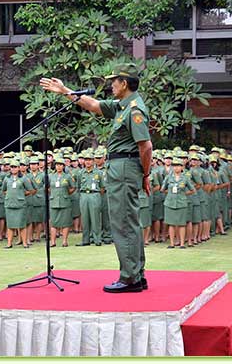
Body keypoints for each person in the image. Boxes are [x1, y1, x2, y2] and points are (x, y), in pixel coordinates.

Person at [41, 63, 152, 293]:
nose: (111, 84)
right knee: (129, 222)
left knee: (123, 223)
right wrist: (64, 91)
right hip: (123, 166)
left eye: (114, 81)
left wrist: (146, 174)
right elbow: (92, 104)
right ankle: (137, 275)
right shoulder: (122, 106)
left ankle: (130, 278)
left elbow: (146, 146)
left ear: (124, 83)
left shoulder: (133, 110)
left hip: (124, 167)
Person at [161, 157, 196, 248]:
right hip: (170, 202)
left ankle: (181, 243)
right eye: (174, 166)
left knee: (182, 224)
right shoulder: (168, 177)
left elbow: (193, 190)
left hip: (181, 202)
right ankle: (172, 243)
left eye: (178, 166)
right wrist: (170, 193)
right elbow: (162, 189)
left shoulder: (185, 178)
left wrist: (184, 194)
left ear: (182, 167)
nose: (176, 168)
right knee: (171, 224)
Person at [2, 158, 35, 248]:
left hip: (20, 204)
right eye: (12, 167)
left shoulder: (23, 178)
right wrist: (10, 195)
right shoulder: (7, 178)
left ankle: (24, 243)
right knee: (10, 225)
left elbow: (31, 190)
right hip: (9, 204)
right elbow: (4, 190)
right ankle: (9, 243)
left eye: (15, 167)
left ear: (18, 168)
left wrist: (21, 194)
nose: (13, 169)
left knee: (22, 224)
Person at [77, 151, 104, 246]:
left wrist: (96, 194)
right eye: (86, 160)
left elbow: (102, 187)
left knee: (95, 217)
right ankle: (85, 240)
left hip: (95, 194)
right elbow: (78, 185)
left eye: (90, 160)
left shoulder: (99, 173)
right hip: (84, 195)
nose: (88, 162)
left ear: (93, 161)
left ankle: (97, 239)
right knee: (84, 218)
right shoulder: (80, 173)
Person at [48, 156, 75, 248]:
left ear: (63, 166)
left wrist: (66, 193)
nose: (58, 167)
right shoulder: (51, 176)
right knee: (53, 222)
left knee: (65, 222)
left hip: (64, 201)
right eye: (57, 165)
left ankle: (64, 241)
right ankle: (53, 241)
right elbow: (47, 187)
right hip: (54, 201)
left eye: (60, 165)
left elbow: (73, 187)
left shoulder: (67, 176)